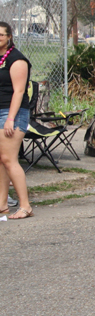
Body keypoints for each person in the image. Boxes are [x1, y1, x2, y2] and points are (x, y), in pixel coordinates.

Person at [0, 23, 33, 219]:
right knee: (1, 160)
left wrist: (10, 119)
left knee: (9, 159)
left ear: (9, 37)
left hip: (13, 113)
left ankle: (25, 206)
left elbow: (19, 91)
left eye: (1, 35)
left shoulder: (17, 60)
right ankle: (2, 205)